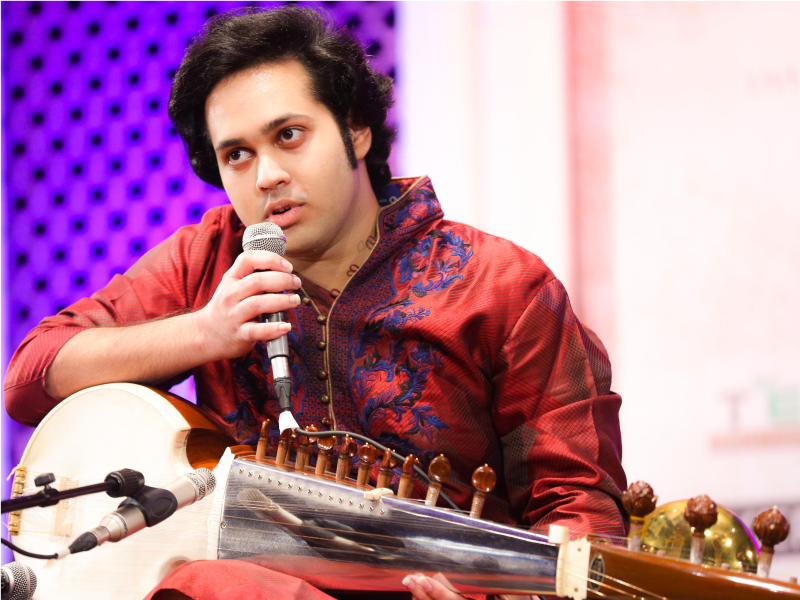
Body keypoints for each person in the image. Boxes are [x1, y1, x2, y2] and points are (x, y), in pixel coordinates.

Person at [4, 7, 626, 600]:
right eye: (237, 154)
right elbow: (30, 379)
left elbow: (582, 512)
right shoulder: (209, 261)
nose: (266, 175)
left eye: (289, 135)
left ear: (356, 129)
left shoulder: (500, 287)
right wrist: (203, 333)